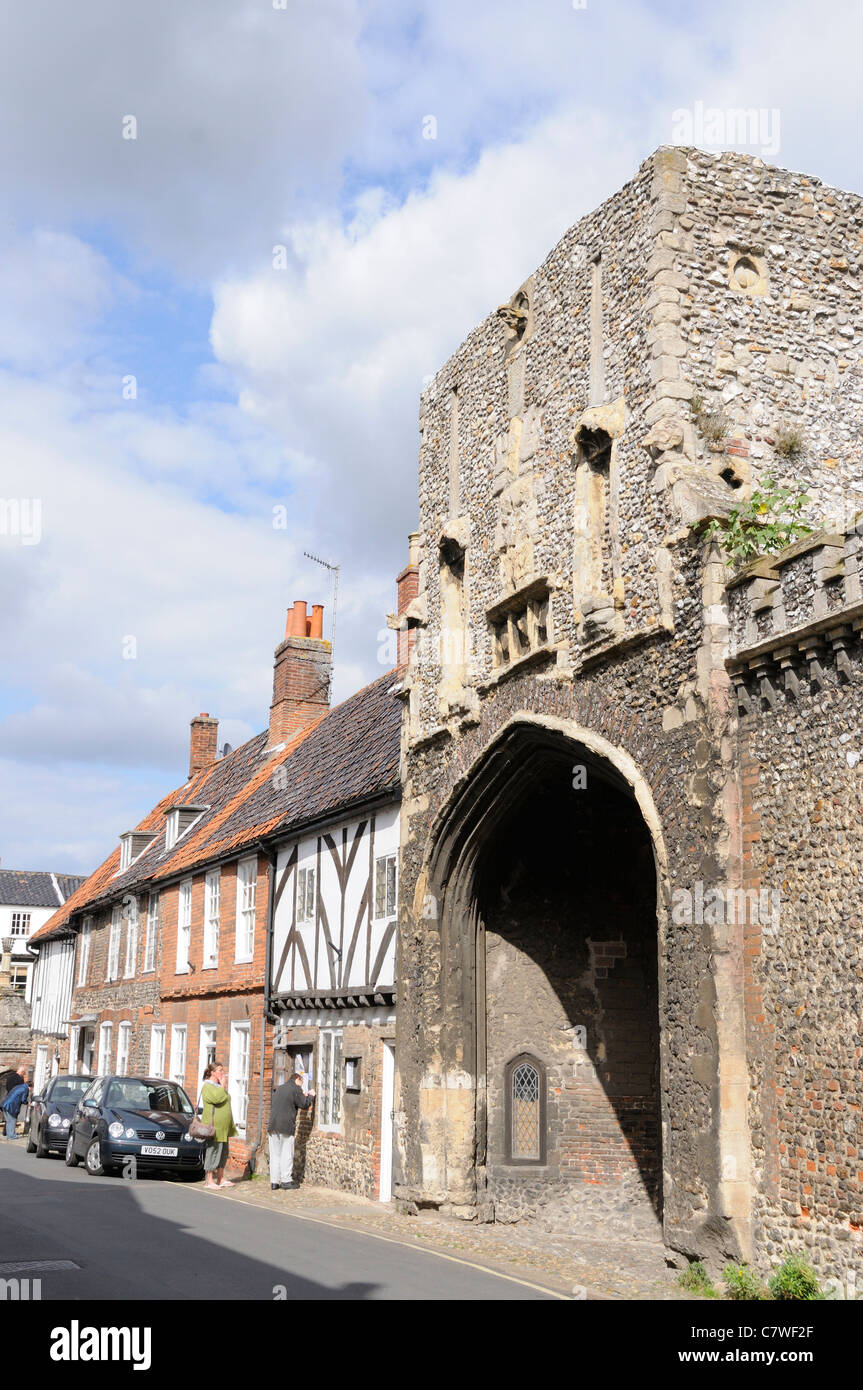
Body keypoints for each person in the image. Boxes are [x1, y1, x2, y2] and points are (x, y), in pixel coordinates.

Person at [267, 1072, 315, 1191]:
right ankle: (286, 1180)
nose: (301, 1086)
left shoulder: (280, 1088)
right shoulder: (295, 1088)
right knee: (287, 1154)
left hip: (273, 1125)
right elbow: (304, 1104)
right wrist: (311, 1096)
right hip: (286, 1126)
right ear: (297, 1079)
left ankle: (274, 1182)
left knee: (275, 1155)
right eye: (301, 1083)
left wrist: (302, 1095)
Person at [199, 1061, 237, 1190]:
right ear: (212, 1072)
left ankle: (221, 1178)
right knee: (213, 1151)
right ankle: (209, 1180)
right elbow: (217, 1099)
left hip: (224, 1127)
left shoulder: (218, 1086)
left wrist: (222, 1086)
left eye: (222, 1070)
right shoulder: (208, 1087)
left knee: (223, 1152)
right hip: (214, 1127)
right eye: (220, 1070)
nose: (222, 1073)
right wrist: (223, 1086)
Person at [1, 1075, 29, 1139]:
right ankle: (12, 1136)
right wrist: (27, 1103)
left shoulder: (19, 1087)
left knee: (8, 1121)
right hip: (11, 1106)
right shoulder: (25, 1089)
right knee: (13, 1120)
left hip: (5, 1104)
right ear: (30, 1087)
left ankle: (9, 1135)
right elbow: (23, 1099)